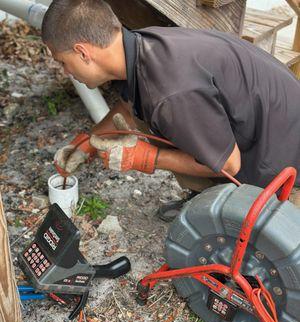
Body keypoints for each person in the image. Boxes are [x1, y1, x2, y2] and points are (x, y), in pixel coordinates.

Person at [42, 0, 300, 220]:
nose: (66, 72)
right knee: (154, 119)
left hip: (281, 163)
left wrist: (145, 158)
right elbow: (129, 107)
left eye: (63, 62)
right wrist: (88, 142)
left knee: (167, 128)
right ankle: (207, 196)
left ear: (83, 52)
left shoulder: (170, 91)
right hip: (270, 127)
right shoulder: (142, 45)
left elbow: (229, 165)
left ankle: (224, 205)